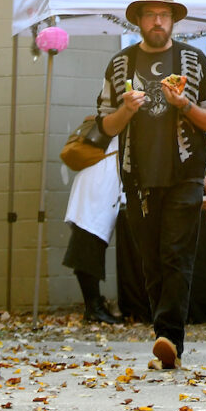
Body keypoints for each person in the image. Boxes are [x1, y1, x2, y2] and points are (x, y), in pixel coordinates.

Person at [95, 0, 206, 370]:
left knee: (176, 255)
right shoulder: (119, 64)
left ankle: (170, 339)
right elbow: (105, 126)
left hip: (185, 174)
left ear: (173, 20)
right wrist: (127, 111)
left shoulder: (194, 60)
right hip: (137, 178)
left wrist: (183, 104)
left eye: (164, 15)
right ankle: (164, 338)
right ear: (138, 20)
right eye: (150, 15)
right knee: (151, 262)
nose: (157, 21)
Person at [62, 137, 124, 324]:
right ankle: (93, 306)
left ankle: (94, 305)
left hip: (101, 183)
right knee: (87, 246)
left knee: (89, 245)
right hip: (98, 185)